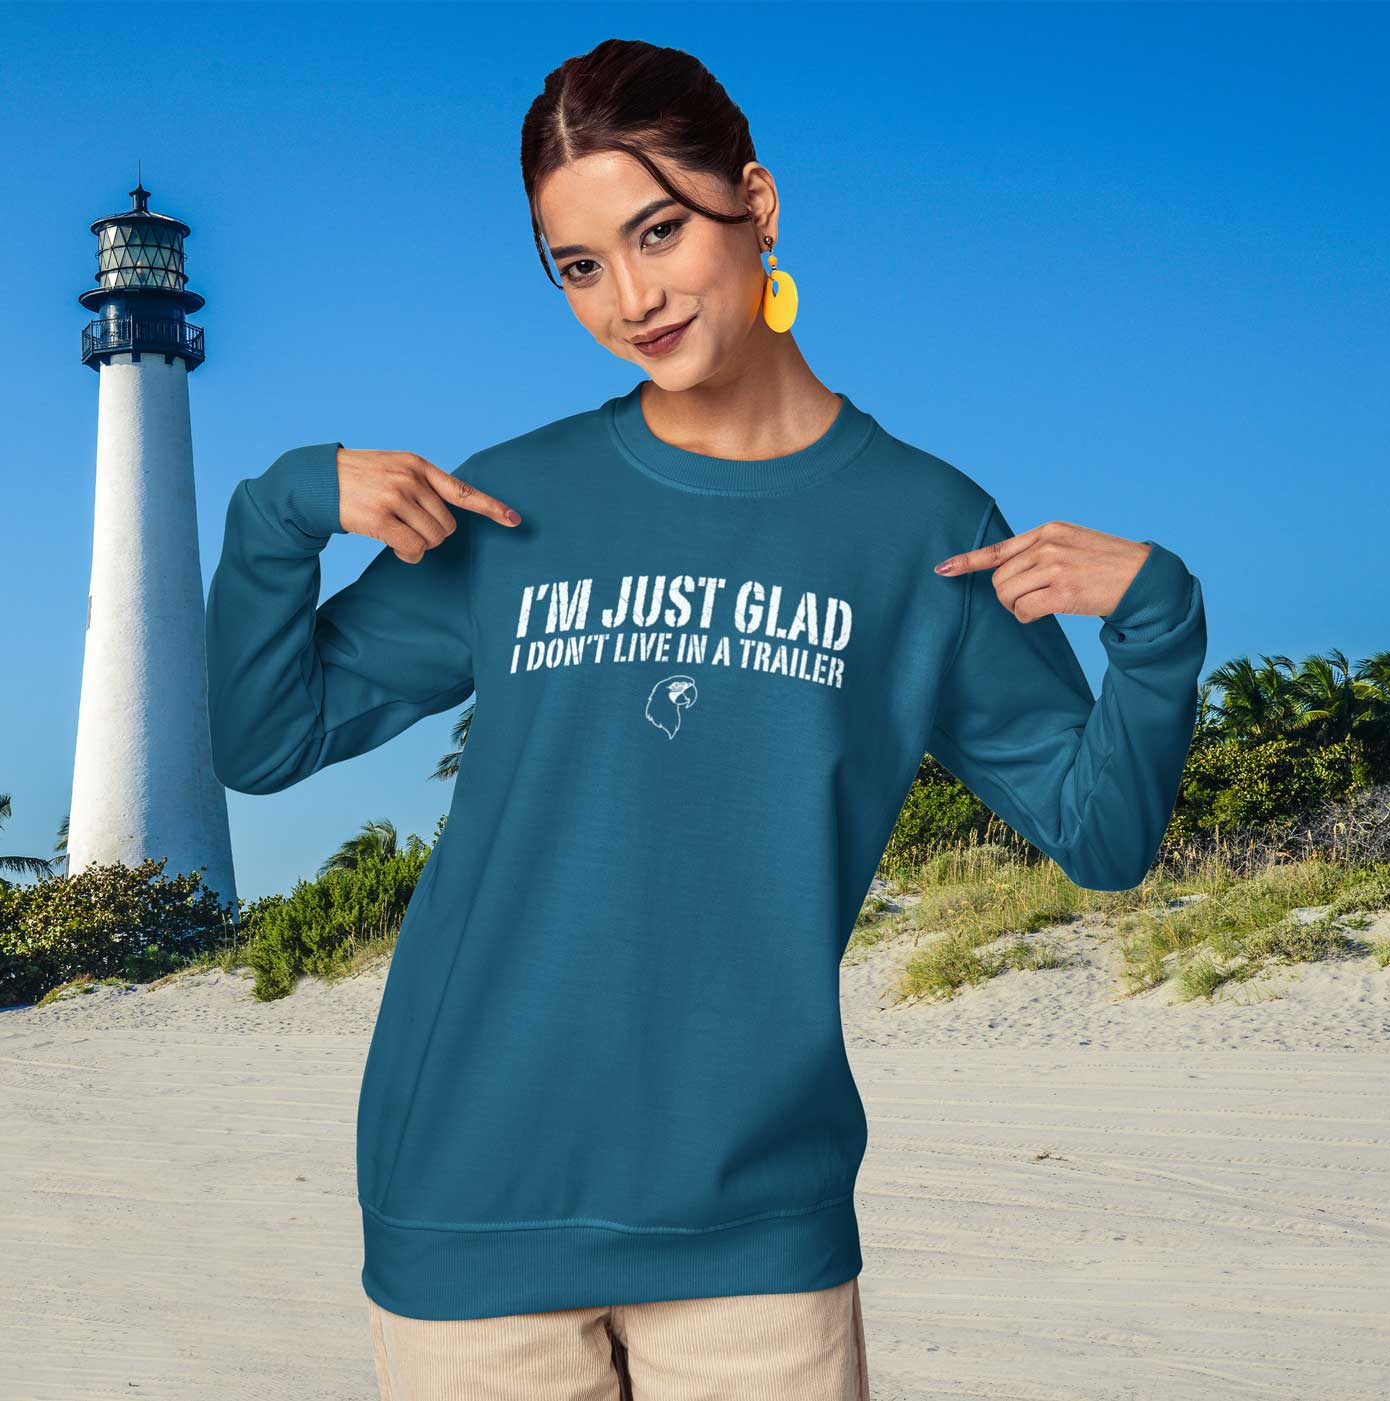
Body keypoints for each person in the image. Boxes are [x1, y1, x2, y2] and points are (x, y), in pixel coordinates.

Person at [204, 36, 1207, 1401]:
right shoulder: (519, 505)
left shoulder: (921, 529)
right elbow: (265, 743)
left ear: (760, 202)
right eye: (579, 265)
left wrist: (1156, 620)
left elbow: (1098, 833)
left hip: (755, 1227)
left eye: (659, 230)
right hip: (470, 1194)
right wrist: (282, 513)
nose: (629, 297)